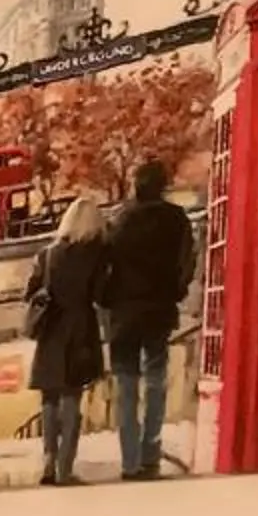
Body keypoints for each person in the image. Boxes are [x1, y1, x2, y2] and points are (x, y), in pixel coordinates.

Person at [103, 161, 196, 480]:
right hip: (159, 309)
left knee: (126, 384)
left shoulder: (120, 220)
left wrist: (107, 300)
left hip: (124, 313)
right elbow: (187, 262)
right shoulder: (177, 219)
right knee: (156, 381)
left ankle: (129, 460)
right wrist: (176, 291)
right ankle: (150, 454)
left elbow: (106, 266)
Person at [25, 195, 112, 485]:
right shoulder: (96, 255)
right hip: (80, 329)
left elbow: (31, 292)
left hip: (52, 327)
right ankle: (66, 466)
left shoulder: (48, 253)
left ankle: (48, 461)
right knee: (72, 396)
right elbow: (102, 295)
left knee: (49, 397)